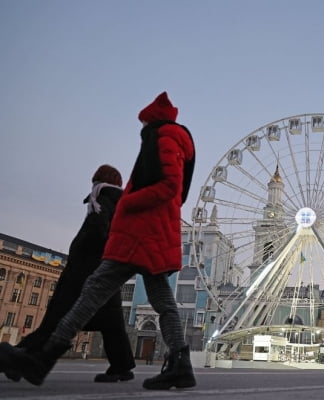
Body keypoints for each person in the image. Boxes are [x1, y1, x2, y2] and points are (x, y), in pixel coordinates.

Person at [0, 92, 196, 390]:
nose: (141, 126)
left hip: (141, 233)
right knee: (162, 302)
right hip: (156, 231)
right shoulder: (173, 139)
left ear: (151, 119)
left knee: (92, 291)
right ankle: (181, 365)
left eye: (143, 121)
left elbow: (170, 185)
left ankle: (43, 358)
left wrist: (129, 203)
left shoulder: (162, 137)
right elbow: (176, 191)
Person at [0, 165, 135, 383]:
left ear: (97, 179)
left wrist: (86, 252)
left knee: (56, 318)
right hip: (107, 271)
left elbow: (98, 228)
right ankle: (122, 365)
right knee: (112, 322)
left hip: (84, 272)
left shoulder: (102, 196)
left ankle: (20, 357)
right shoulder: (121, 202)